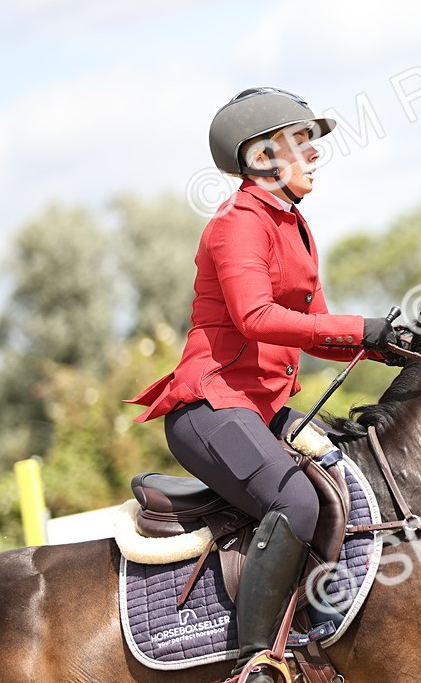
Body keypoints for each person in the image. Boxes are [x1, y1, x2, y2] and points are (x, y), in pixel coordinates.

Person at [125, 87, 397, 683]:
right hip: (211, 408)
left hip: (260, 410)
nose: (315, 153)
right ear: (261, 156)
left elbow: (315, 330)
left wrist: (389, 344)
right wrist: (361, 328)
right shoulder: (238, 225)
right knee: (296, 500)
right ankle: (258, 662)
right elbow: (255, 318)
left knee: (352, 476)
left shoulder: (293, 225)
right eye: (301, 142)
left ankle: (319, 627)